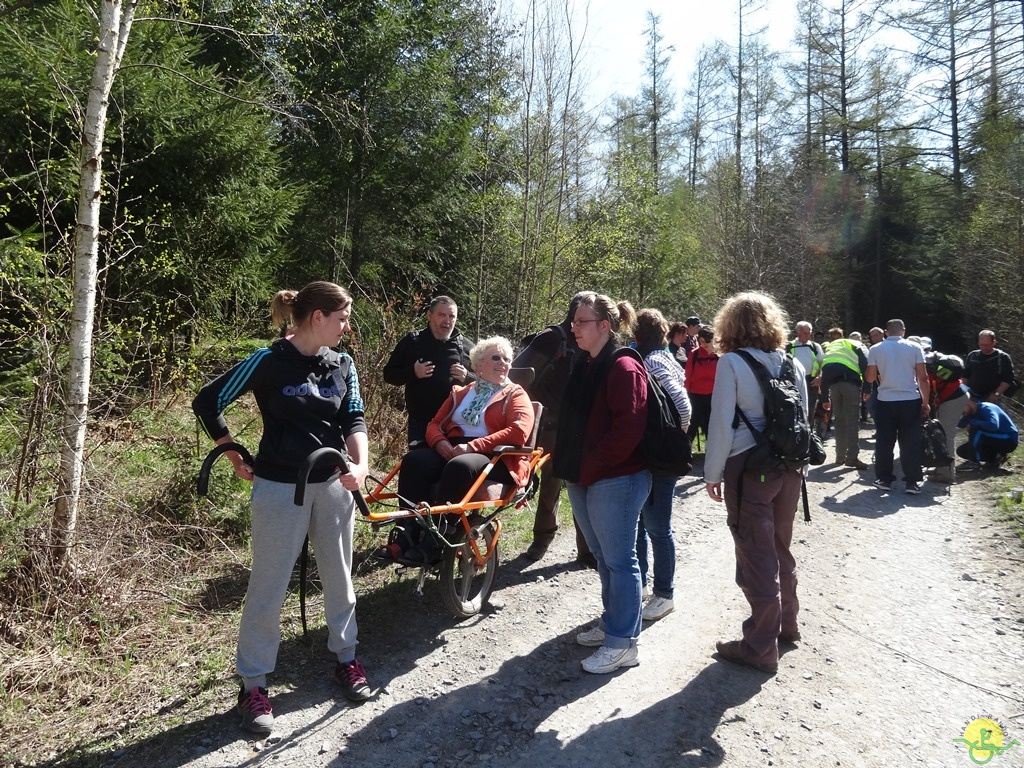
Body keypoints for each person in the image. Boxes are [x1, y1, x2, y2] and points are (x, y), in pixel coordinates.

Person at [191, 281, 372, 736]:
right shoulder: (268, 360)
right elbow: (207, 401)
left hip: (333, 485)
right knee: (268, 586)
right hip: (277, 488)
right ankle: (253, 684)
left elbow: (353, 418)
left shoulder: (343, 363)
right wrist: (233, 453)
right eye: (343, 318)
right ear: (318, 317)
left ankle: (346, 660)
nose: (347, 327)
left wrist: (362, 464)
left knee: (340, 576)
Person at [704, 292, 807, 676]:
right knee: (780, 544)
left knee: (754, 550)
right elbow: (804, 419)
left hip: (749, 467)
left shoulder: (731, 362)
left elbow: (721, 422)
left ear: (729, 326)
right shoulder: (791, 362)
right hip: (791, 467)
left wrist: (712, 473)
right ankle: (787, 624)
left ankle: (760, 646)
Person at [553, 292, 651, 675]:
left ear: (604, 327)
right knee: (603, 557)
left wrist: (591, 465)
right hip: (585, 475)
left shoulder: (624, 366)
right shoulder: (586, 362)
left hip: (617, 478)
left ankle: (624, 643)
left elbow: (629, 429)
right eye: (573, 321)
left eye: (581, 321)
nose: (574, 327)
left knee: (620, 560)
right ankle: (613, 623)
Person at [393, 336, 535, 561]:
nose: (503, 363)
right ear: (478, 365)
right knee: (414, 461)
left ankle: (438, 536)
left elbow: (519, 432)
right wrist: (440, 443)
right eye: (496, 357)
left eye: (507, 359)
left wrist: (473, 446)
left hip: (495, 455)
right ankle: (407, 532)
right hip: (453, 447)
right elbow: (434, 424)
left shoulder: (515, 394)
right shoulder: (461, 393)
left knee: (459, 465)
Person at [511, 293, 596, 566]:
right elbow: (516, 376)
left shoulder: (590, 342)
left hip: (578, 426)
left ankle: (587, 550)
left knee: (581, 487)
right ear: (575, 315)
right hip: (547, 426)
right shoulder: (552, 338)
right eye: (584, 317)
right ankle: (542, 540)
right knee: (550, 486)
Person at [633, 308, 691, 622]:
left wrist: (674, 436)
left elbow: (683, 404)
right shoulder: (662, 356)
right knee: (641, 524)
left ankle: (665, 594)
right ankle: (641, 584)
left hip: (661, 458)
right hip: (650, 455)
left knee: (657, 527)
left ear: (636, 334)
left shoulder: (653, 361)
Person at [383, 296, 474, 444]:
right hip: (421, 423)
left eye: (452, 316)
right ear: (429, 315)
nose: (447, 321)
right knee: (420, 464)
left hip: (456, 424)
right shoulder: (413, 342)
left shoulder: (467, 347)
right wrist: (413, 372)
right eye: (442, 315)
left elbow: (486, 383)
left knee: (451, 466)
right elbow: (389, 375)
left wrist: (467, 376)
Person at [865, 319, 931, 494]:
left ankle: (884, 479)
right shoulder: (915, 348)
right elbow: (923, 378)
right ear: (903, 331)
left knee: (884, 441)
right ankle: (912, 482)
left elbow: (870, 378)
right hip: (910, 399)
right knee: (910, 441)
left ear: (886, 332)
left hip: (886, 400)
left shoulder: (875, 349)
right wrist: (925, 402)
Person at [815, 327, 869, 469]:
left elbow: (825, 371)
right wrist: (868, 387)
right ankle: (852, 458)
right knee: (852, 421)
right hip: (850, 383)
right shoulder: (856, 344)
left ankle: (840, 457)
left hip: (834, 385)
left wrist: (825, 398)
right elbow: (865, 364)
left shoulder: (831, 347)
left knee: (839, 421)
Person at [926, 351, 968, 484]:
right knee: (940, 433)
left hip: (953, 398)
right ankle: (941, 467)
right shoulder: (933, 365)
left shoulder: (928, 370)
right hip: (955, 394)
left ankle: (947, 473)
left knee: (946, 435)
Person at [956, 399, 1019, 470]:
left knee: (976, 429)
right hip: (992, 440)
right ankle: (996, 458)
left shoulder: (986, 408)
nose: (959, 410)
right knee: (962, 451)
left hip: (1008, 440)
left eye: (960, 406)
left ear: (970, 402)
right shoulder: (969, 414)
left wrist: (973, 422)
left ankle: (973, 462)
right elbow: (958, 424)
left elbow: (993, 426)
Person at [685, 324, 718, 449]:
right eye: (701, 341)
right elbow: (687, 377)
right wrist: (686, 395)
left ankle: (713, 452)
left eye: (706, 342)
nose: (703, 344)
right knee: (692, 425)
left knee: (711, 426)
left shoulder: (720, 355)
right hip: (695, 396)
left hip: (713, 396)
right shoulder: (694, 354)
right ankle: (686, 453)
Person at [964, 330, 1016, 404]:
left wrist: (996, 395)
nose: (984, 347)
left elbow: (1007, 380)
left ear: (994, 342)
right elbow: (965, 376)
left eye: (987, 345)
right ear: (978, 342)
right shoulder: (972, 356)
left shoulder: (1002, 357)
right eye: (982, 344)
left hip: (992, 399)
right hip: (972, 397)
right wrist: (964, 393)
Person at [786, 321, 824, 418]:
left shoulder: (815, 347)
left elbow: (823, 364)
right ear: (798, 333)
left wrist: (820, 377)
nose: (808, 335)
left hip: (811, 381)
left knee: (810, 409)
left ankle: (809, 431)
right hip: (793, 381)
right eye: (805, 333)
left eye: (809, 333)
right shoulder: (789, 346)